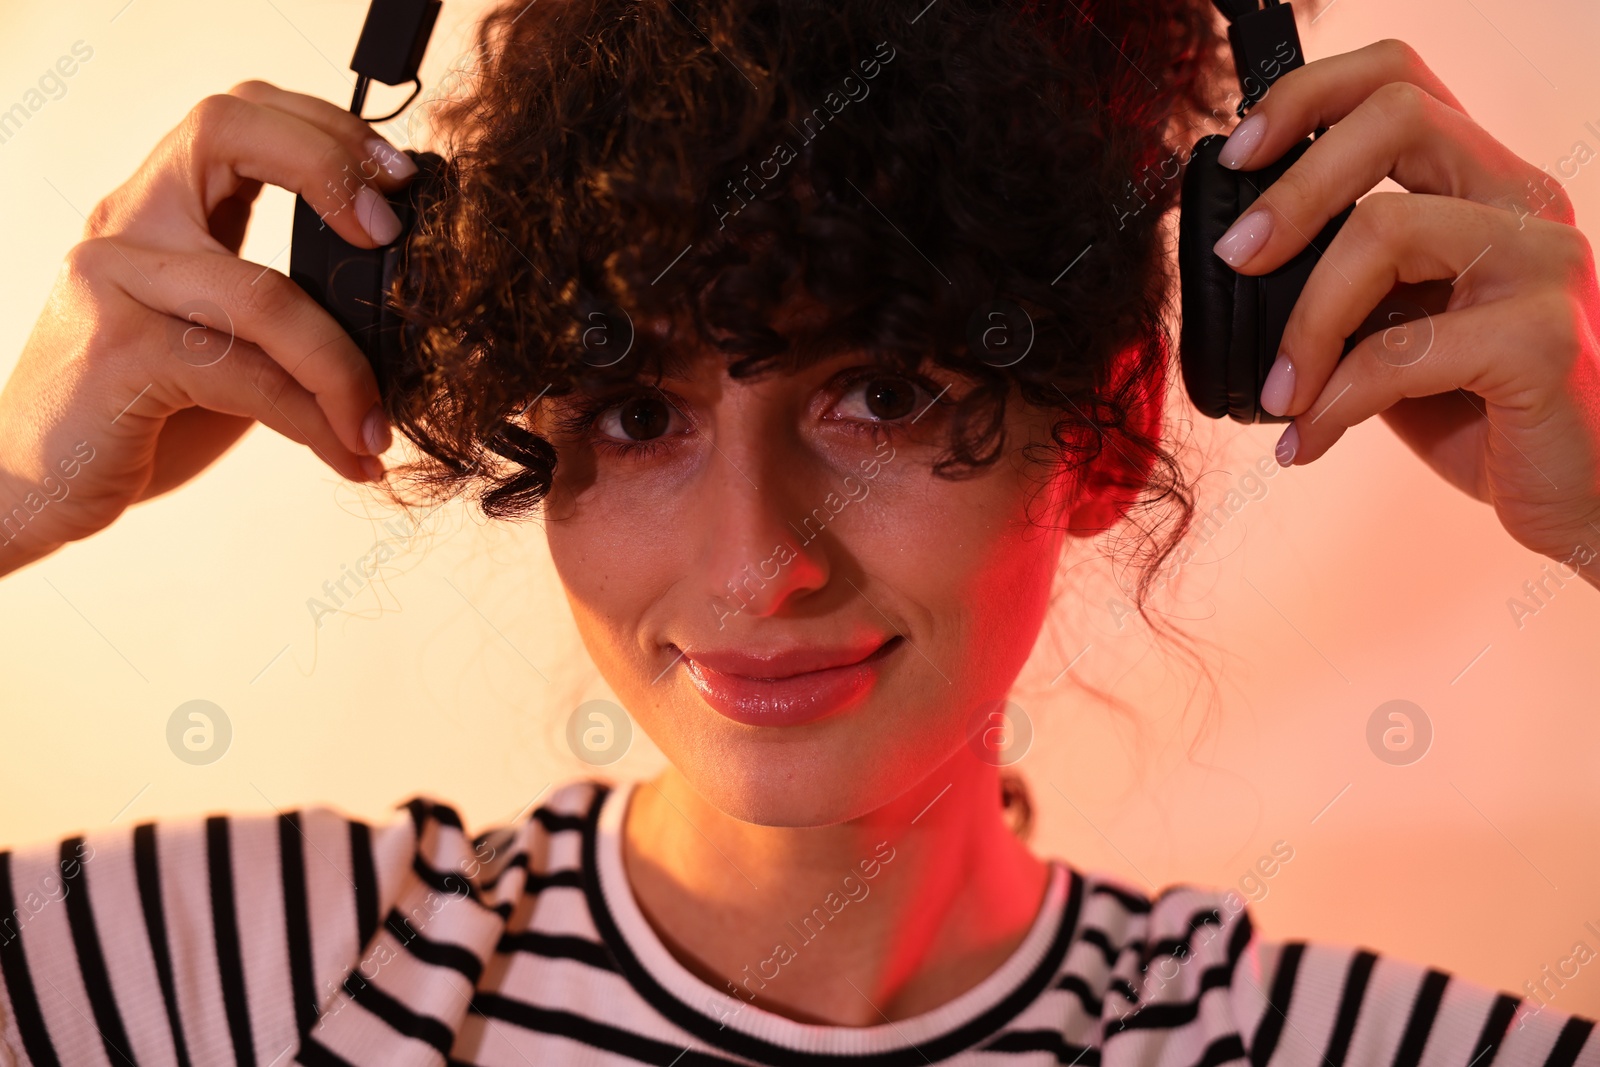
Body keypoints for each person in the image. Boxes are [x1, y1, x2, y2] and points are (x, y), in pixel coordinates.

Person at [0, 0, 1596, 1063]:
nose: (763, 564)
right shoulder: (235, 985)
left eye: (885, 394)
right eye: (635, 410)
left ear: (1104, 425)